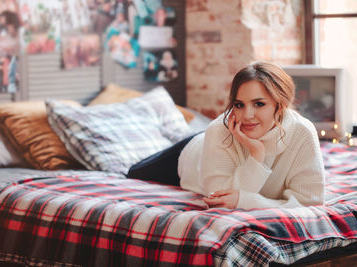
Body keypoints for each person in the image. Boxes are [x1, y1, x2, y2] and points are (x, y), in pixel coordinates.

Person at [128, 61, 325, 210]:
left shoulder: (303, 133)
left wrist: (246, 200)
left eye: (259, 104)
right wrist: (257, 154)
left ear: (280, 105)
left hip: (211, 145)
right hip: (191, 155)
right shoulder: (218, 130)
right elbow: (219, 200)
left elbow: (310, 204)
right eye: (239, 105)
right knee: (133, 172)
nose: (247, 116)